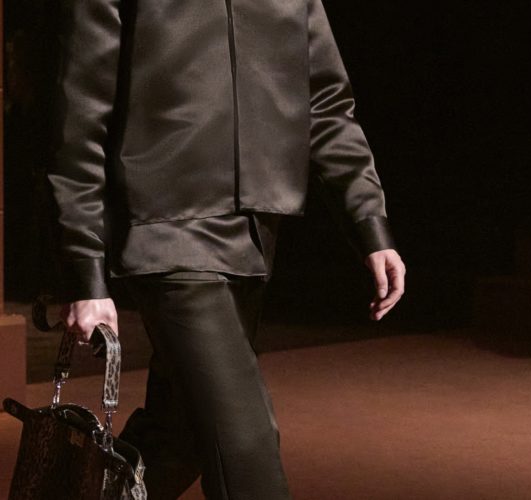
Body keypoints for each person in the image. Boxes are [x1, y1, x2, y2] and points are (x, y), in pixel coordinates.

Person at [47, 0, 406, 498]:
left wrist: (369, 222)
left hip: (255, 237)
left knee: (179, 440)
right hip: (166, 233)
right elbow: (80, 120)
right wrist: (84, 269)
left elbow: (324, 104)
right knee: (247, 444)